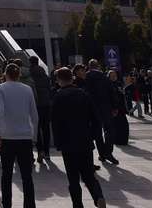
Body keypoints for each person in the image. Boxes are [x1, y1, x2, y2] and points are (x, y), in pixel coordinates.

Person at [52, 67, 105, 208]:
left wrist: (58, 142)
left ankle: (78, 204)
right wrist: (92, 135)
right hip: (85, 140)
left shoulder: (58, 97)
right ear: (72, 78)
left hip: (68, 143)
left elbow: (56, 123)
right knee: (88, 174)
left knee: (73, 178)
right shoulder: (83, 94)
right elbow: (96, 119)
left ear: (59, 80)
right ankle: (98, 196)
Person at [0, 62, 38, 208]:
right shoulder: (27, 89)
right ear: (19, 74)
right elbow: (34, 114)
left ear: (5, 74)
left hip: (8, 136)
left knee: (6, 174)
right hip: (25, 136)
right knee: (27, 176)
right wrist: (34, 135)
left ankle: (7, 203)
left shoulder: (0, 88)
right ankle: (30, 204)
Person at [84, 59, 118, 165]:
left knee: (97, 132)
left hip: (93, 109)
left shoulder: (87, 77)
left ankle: (102, 154)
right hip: (106, 107)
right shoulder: (104, 76)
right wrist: (115, 107)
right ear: (98, 66)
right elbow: (111, 92)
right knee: (109, 130)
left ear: (89, 67)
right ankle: (108, 152)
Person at [29, 56, 52, 163]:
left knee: (36, 129)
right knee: (46, 128)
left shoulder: (30, 75)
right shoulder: (44, 75)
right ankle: (47, 152)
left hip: (35, 104)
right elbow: (49, 88)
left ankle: (40, 150)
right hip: (46, 104)